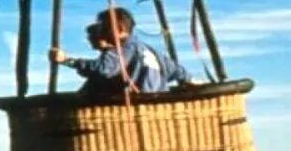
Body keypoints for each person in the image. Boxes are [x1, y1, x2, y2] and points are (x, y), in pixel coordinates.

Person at [48, 6, 191, 96]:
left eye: (105, 28)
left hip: (136, 110)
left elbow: (104, 69)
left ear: (120, 28)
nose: (102, 32)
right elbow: (178, 72)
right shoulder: (148, 50)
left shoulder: (123, 49)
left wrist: (67, 60)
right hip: (158, 107)